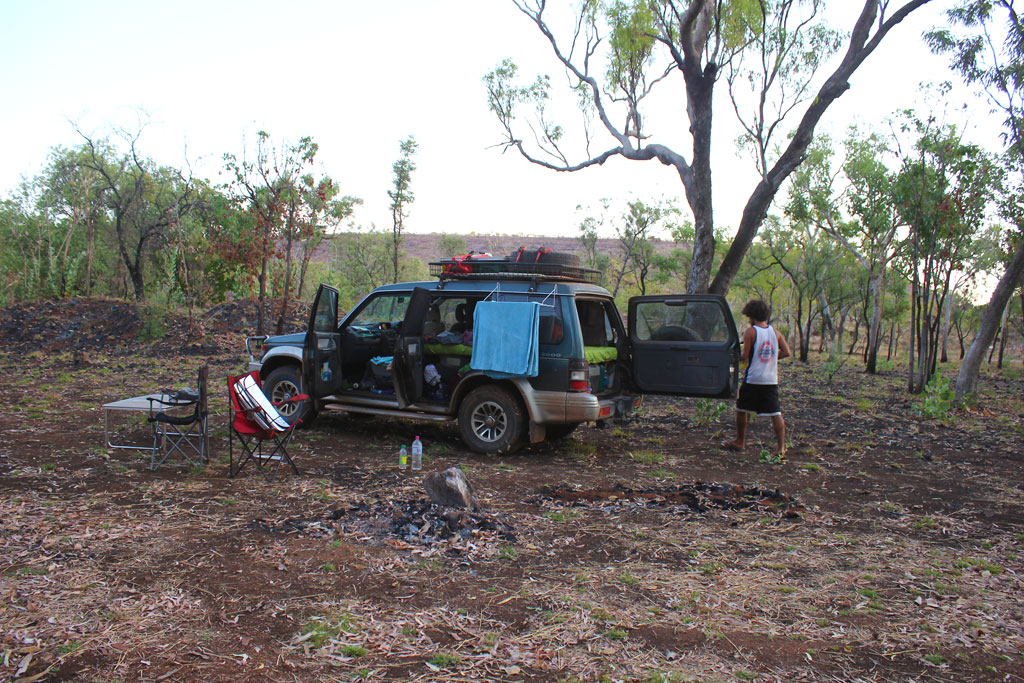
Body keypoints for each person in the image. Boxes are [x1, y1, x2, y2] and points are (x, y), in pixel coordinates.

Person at [723, 299, 792, 455]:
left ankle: (740, 441)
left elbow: (745, 356)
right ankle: (781, 448)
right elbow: (787, 352)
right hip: (771, 379)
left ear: (751, 315)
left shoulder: (750, 332)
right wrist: (771, 359)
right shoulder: (775, 333)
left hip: (754, 378)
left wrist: (733, 356)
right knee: (775, 413)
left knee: (741, 409)